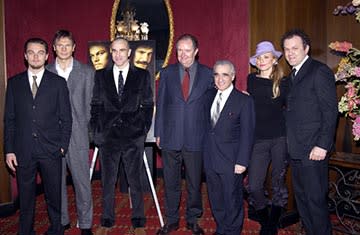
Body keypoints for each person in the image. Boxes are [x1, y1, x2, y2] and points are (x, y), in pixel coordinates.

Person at [4, 38, 72, 235]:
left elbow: (66, 119)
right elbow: (9, 120)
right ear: (25, 56)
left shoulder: (58, 83)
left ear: (47, 55)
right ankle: (25, 231)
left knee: (54, 197)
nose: (36, 56)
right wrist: (9, 150)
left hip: (51, 150)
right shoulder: (14, 83)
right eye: (31, 52)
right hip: (23, 150)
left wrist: (62, 146)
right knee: (26, 199)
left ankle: (56, 230)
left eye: (40, 52)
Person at [90, 37, 153, 235]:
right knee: (108, 180)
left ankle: (138, 219)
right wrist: (96, 132)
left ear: (129, 53)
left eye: (122, 50)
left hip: (133, 136)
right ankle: (107, 217)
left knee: (135, 180)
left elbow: (148, 105)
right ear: (110, 52)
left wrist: (141, 130)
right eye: (114, 50)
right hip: (107, 137)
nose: (118, 54)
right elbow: (96, 105)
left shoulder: (142, 75)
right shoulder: (101, 75)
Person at [155, 34, 213, 235]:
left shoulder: (208, 74)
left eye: (187, 50)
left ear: (196, 51)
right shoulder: (167, 73)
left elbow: (213, 105)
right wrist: (158, 132)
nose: (183, 54)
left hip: (197, 137)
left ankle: (192, 219)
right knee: (170, 182)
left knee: (194, 183)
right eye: (179, 50)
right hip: (171, 137)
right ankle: (171, 220)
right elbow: (161, 104)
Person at [280, 29, 338, 235]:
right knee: (302, 201)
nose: (290, 53)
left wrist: (323, 145)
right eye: (286, 50)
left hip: (314, 150)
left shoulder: (319, 71)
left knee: (316, 202)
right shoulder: (290, 77)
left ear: (306, 48)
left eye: (295, 48)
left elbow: (330, 112)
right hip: (295, 150)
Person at [47, 30, 94, 235]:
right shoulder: (46, 72)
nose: (64, 49)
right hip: (51, 135)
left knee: (82, 182)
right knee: (55, 182)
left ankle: (85, 224)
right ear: (54, 48)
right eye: (60, 45)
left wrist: (90, 134)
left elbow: (93, 106)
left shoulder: (87, 72)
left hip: (78, 135)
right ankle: (62, 220)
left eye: (68, 45)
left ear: (74, 47)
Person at [203, 60, 255, 235]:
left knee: (232, 200)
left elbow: (248, 135)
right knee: (216, 199)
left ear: (232, 77)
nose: (220, 79)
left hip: (232, 161)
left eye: (225, 74)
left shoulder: (244, 100)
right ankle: (222, 228)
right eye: (216, 74)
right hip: (210, 159)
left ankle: (233, 231)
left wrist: (242, 162)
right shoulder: (208, 96)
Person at [247, 41, 289, 235]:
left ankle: (270, 224)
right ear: (255, 62)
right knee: (254, 185)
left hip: (280, 138)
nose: (262, 61)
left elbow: (292, 109)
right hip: (259, 140)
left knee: (278, 183)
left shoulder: (284, 82)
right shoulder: (251, 80)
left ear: (274, 60)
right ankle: (266, 219)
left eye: (266, 57)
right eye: (259, 58)